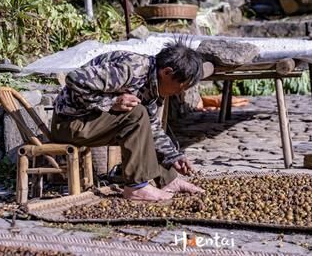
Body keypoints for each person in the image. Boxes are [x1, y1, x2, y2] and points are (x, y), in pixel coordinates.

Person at [51, 40, 208, 201]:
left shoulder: (153, 84)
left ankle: (169, 181)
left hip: (92, 122)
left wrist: (173, 156)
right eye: (180, 87)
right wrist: (112, 102)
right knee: (137, 113)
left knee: (143, 118)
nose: (178, 93)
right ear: (167, 72)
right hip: (70, 123)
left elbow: (152, 128)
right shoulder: (131, 69)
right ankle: (136, 187)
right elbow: (74, 79)